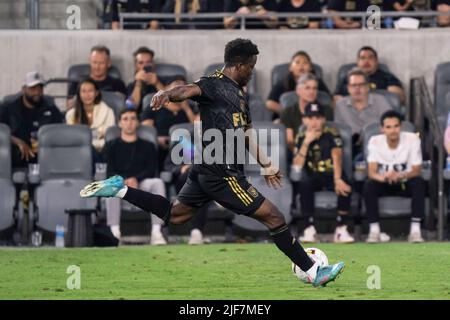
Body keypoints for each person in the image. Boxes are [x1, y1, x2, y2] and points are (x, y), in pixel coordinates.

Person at [80, 38, 344, 287]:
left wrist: (266, 163)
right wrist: (167, 93)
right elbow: (187, 90)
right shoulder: (213, 83)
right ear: (238, 65)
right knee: (274, 217)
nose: (252, 72)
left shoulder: (240, 95)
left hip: (206, 169)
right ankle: (312, 271)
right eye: (250, 67)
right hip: (222, 173)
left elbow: (246, 132)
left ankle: (119, 189)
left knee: (176, 215)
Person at [292, 102, 354, 243]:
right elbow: (297, 166)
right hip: (313, 175)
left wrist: (338, 179)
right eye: (311, 118)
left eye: (318, 117)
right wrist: (307, 142)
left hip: (332, 173)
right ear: (305, 119)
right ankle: (309, 229)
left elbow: (337, 157)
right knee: (304, 183)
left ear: (324, 119)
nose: (315, 121)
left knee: (345, 183)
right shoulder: (301, 137)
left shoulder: (332, 134)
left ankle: (341, 228)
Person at [104, 108, 167, 245]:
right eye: (125, 119)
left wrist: (135, 179)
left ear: (138, 122)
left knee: (157, 182)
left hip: (141, 185)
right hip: (120, 187)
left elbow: (151, 170)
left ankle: (156, 232)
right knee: (110, 185)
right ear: (119, 123)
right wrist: (124, 180)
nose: (129, 122)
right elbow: (109, 171)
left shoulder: (148, 146)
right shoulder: (111, 146)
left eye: (133, 118)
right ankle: (115, 233)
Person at [363, 110, 425, 243]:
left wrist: (401, 175)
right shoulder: (374, 141)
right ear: (382, 129)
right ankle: (374, 230)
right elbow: (372, 171)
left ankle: (415, 230)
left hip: (404, 181)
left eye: (396, 126)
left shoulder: (412, 139)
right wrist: (385, 177)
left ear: (400, 127)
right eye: (388, 127)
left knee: (419, 183)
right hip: (384, 181)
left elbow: (417, 170)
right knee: (369, 185)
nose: (393, 130)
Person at [0, 71, 63, 167]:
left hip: (44, 154)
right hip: (16, 154)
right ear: (24, 89)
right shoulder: (9, 106)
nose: (37, 92)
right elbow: (1, 130)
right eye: (33, 88)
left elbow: (61, 130)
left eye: (40, 88)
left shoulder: (50, 107)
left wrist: (45, 142)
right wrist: (18, 142)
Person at [334, 68, 392, 159]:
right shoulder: (340, 106)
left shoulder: (380, 101)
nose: (357, 88)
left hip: (377, 146)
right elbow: (338, 132)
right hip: (351, 148)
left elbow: (391, 125)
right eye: (353, 85)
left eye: (361, 85)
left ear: (367, 87)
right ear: (348, 88)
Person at [141, 75, 196, 169]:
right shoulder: (155, 107)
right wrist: (156, 139)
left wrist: (186, 108)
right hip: (161, 145)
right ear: (167, 89)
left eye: (183, 87)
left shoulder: (191, 108)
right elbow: (147, 130)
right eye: (176, 86)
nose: (180, 90)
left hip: (183, 146)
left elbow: (198, 128)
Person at [266, 51, 330, 118]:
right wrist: (288, 113)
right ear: (290, 68)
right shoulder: (283, 82)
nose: (301, 65)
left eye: (305, 63)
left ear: (310, 68)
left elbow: (327, 100)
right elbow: (269, 103)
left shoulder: (317, 81)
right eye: (297, 62)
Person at [280, 73, 333, 151]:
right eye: (307, 88)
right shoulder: (288, 112)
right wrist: (302, 153)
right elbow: (290, 141)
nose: (312, 92)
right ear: (298, 90)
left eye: (314, 88)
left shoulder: (326, 110)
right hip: (297, 151)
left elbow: (327, 136)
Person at [65, 78, 116, 159]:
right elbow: (73, 137)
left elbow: (110, 135)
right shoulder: (71, 114)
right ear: (79, 94)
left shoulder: (108, 111)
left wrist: (89, 139)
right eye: (84, 91)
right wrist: (99, 133)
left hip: (103, 151)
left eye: (90, 91)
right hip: (80, 152)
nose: (87, 95)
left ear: (96, 93)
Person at [334, 46, 405, 104]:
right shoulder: (347, 78)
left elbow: (399, 98)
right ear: (358, 62)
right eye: (362, 58)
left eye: (370, 58)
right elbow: (336, 98)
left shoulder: (386, 77)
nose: (366, 61)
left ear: (376, 61)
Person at [126, 46, 165, 114]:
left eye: (148, 62)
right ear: (136, 66)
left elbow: (172, 104)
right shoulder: (131, 86)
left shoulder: (163, 81)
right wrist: (138, 82)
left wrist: (157, 83)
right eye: (141, 63)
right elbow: (131, 108)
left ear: (153, 64)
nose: (145, 66)